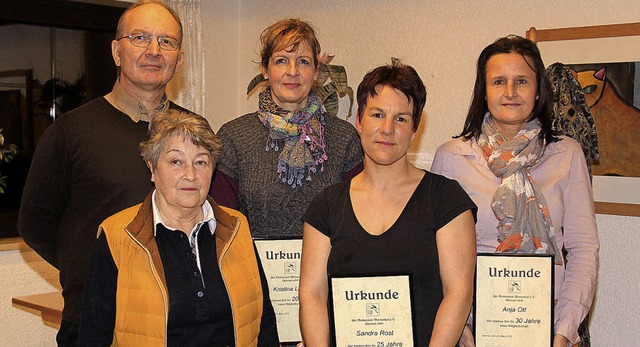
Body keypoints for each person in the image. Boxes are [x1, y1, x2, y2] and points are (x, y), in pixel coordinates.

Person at [17, 1, 190, 345]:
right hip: (97, 324)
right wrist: (91, 268)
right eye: (139, 37)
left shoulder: (195, 133)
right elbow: (34, 223)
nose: (154, 50)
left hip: (180, 322)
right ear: (116, 51)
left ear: (179, 59)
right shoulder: (70, 132)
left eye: (166, 41)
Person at [431, 35, 599, 347]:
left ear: (538, 91)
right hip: (473, 330)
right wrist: (460, 329)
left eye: (521, 80)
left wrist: (563, 331)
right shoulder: (452, 157)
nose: (510, 92)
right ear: (484, 91)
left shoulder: (568, 154)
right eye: (498, 81)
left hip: (550, 329)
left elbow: (583, 250)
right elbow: (434, 253)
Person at [299, 59, 477, 346]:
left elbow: (458, 292)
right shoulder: (326, 206)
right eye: (378, 114)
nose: (387, 129)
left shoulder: (445, 200)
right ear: (359, 121)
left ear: (415, 128)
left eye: (402, 118)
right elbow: (312, 295)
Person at [78, 109, 279, 346]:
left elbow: (264, 322)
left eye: (201, 162)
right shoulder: (118, 235)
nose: (191, 175)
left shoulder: (236, 227)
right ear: (152, 168)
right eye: (176, 161)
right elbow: (94, 336)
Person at [211, 18, 363, 239]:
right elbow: (224, 227)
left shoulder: (344, 138)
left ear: (316, 70)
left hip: (328, 269)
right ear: (265, 69)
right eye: (281, 61)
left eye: (303, 62)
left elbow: (357, 221)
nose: (293, 71)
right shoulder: (233, 137)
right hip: (254, 270)